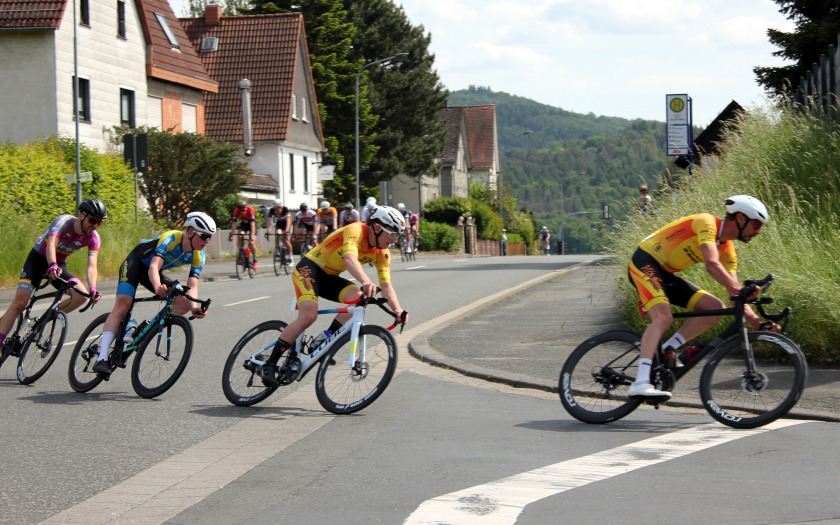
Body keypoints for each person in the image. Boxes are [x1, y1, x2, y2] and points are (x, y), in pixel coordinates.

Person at [626, 195, 779, 398]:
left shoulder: (728, 250)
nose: (758, 231)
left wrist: (757, 323)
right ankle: (640, 383)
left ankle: (666, 349)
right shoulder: (707, 222)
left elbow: (735, 295)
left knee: (714, 308)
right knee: (663, 317)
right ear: (741, 218)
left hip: (665, 274)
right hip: (645, 262)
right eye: (757, 224)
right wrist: (738, 288)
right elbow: (711, 264)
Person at [260, 206, 409, 387]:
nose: (395, 240)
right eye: (393, 235)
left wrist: (398, 310)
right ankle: (270, 364)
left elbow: (386, 286)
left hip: (329, 278)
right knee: (309, 316)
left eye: (398, 236)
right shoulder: (356, 230)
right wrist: (366, 281)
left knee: (360, 299)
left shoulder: (382, 253)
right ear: (377, 228)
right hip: (309, 269)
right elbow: (349, 259)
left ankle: (325, 338)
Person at [92, 212, 215, 374]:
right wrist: (157, 287)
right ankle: (101, 358)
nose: (207, 241)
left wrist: (194, 308)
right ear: (190, 231)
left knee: (184, 300)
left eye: (209, 237)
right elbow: (153, 267)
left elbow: (192, 285)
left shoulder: (199, 256)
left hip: (154, 273)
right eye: (204, 236)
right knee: (123, 305)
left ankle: (147, 326)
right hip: (135, 264)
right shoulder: (171, 238)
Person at [0, 198, 106, 349]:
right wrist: (52, 265)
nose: (95, 226)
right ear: (82, 215)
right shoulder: (64, 222)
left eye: (99, 223)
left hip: (59, 265)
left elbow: (92, 266)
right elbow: (51, 244)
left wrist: (93, 288)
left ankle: (40, 322)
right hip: (38, 260)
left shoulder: (94, 238)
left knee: (81, 296)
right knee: (20, 303)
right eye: (93, 220)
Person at [230, 200, 258, 269]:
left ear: (246, 207)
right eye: (241, 210)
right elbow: (234, 224)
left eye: (244, 210)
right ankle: (241, 254)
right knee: (240, 235)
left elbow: (252, 224)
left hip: (252, 225)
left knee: (251, 242)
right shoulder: (236, 211)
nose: (243, 212)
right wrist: (232, 234)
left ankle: (255, 260)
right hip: (244, 224)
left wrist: (252, 235)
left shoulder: (250, 210)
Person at [268, 199, 293, 265]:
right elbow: (268, 221)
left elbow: (288, 221)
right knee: (277, 234)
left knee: (286, 241)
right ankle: (277, 249)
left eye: (278, 208)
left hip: (287, 225)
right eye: (275, 208)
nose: (276, 210)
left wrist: (286, 231)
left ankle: (290, 257)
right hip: (279, 224)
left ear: (281, 207)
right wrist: (268, 231)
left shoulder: (285, 210)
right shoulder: (272, 210)